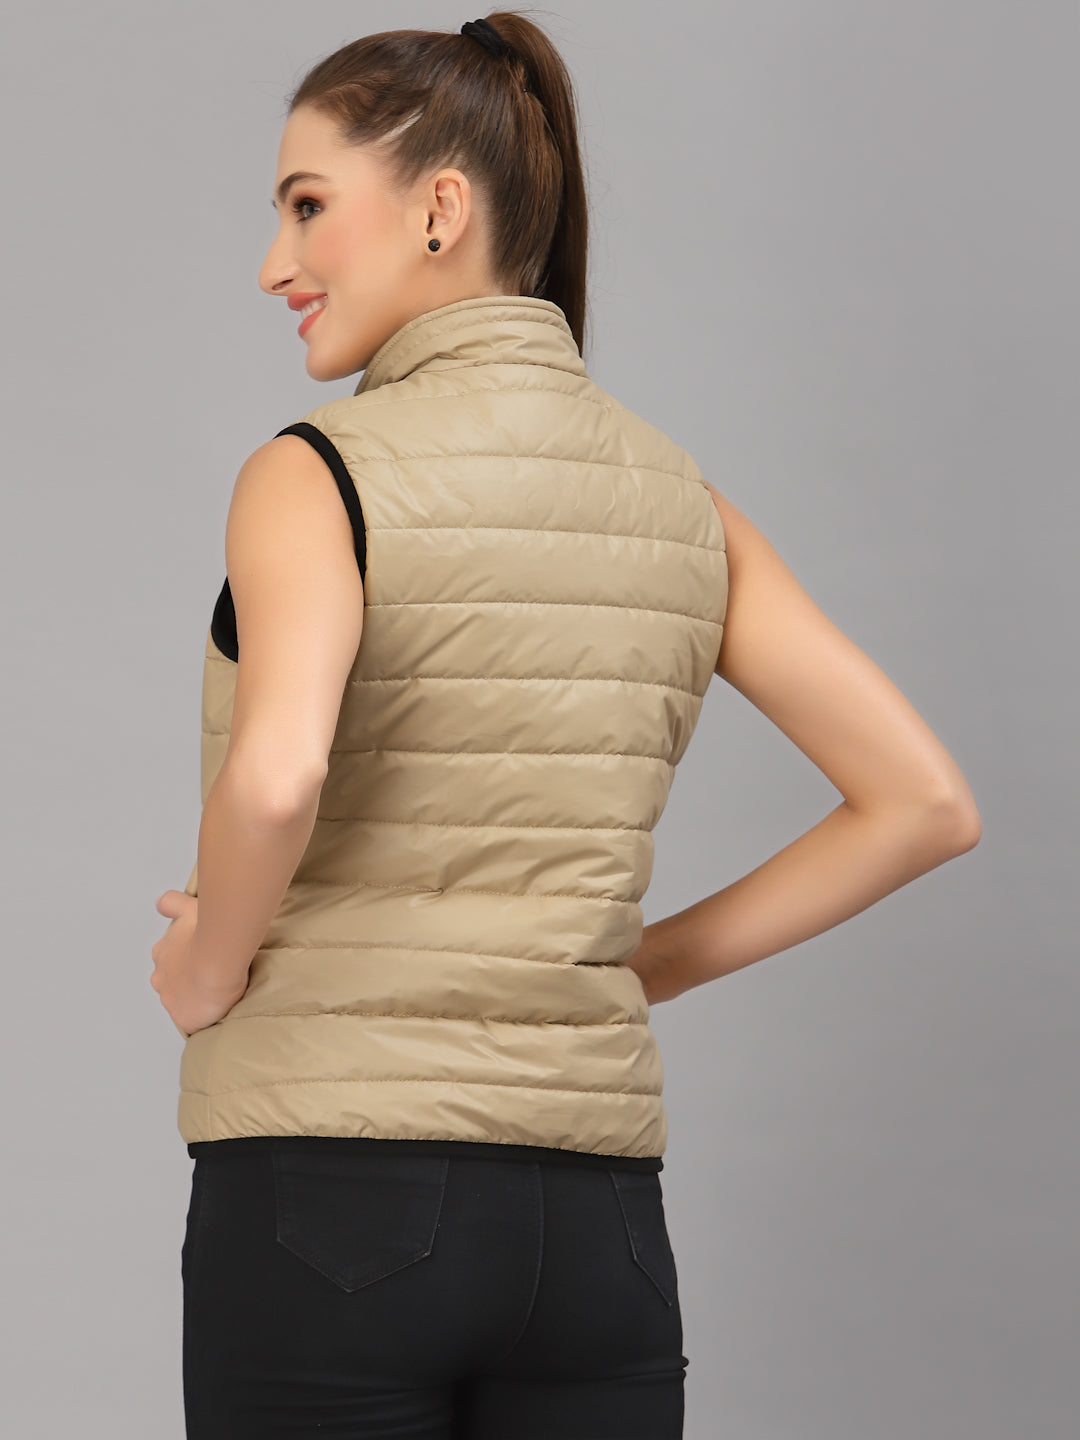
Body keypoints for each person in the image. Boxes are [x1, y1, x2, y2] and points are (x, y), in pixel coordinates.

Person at [148, 12, 982, 1439]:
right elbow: (924, 804)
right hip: (599, 1235)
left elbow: (280, 778)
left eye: (306, 206)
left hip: (329, 1200)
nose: (273, 263)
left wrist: (204, 967)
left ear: (440, 210)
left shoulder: (314, 475)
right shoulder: (683, 502)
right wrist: (634, 969)